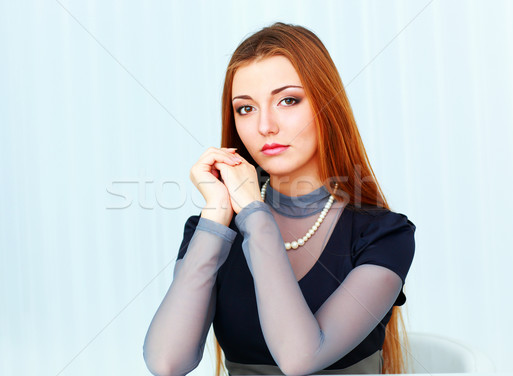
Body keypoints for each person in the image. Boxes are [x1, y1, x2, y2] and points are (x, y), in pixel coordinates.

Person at [143, 22, 416, 376]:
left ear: (326, 105)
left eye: (288, 100)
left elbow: (300, 358)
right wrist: (215, 215)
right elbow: (166, 363)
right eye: (246, 108)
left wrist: (255, 215)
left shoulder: (383, 234)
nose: (265, 126)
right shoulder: (213, 229)